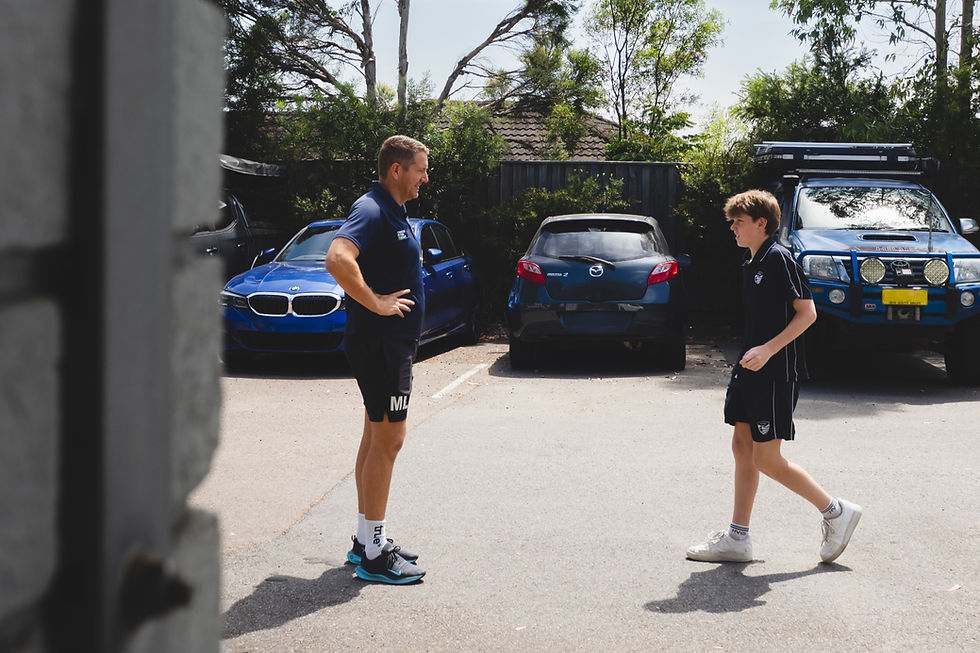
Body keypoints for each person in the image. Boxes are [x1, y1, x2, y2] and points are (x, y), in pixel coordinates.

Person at [687, 189, 862, 564]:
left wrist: (768, 350)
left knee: (767, 459)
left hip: (774, 372)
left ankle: (836, 511)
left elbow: (808, 313)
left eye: (739, 222)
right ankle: (738, 538)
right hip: (751, 369)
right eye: (732, 221)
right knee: (741, 446)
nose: (733, 228)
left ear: (761, 223)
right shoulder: (753, 261)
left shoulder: (779, 258)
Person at [325, 135, 430, 584]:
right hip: (381, 344)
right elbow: (337, 257)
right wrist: (376, 303)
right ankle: (373, 555)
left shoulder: (392, 210)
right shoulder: (371, 209)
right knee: (389, 442)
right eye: (421, 169)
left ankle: (365, 539)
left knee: (374, 438)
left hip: (387, 344)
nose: (425, 178)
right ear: (396, 170)